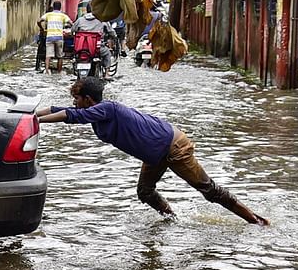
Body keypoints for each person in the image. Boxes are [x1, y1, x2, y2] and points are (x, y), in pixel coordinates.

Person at [36, 77, 270, 226]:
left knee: (208, 190)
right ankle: (173, 221)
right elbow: (62, 109)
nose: (74, 102)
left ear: (88, 99)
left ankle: (256, 220)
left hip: (173, 147)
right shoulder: (96, 112)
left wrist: (37, 123)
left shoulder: (105, 108)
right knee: (145, 192)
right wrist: (30, 115)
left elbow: (70, 115)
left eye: (77, 98)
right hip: (155, 152)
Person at [72, 2, 118, 76]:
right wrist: (114, 36)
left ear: (87, 10)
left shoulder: (80, 20)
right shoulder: (102, 20)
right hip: (97, 49)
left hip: (81, 49)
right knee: (107, 54)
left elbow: (73, 30)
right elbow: (111, 32)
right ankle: (106, 73)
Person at [38, 1, 72, 73]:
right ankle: (59, 72)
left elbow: (39, 21)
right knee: (60, 56)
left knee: (48, 55)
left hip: (49, 37)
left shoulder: (48, 15)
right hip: (59, 37)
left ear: (53, 7)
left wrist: (41, 28)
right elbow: (71, 23)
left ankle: (47, 71)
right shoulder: (63, 16)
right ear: (60, 8)